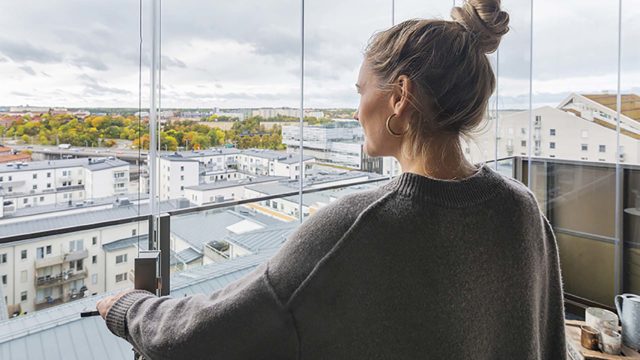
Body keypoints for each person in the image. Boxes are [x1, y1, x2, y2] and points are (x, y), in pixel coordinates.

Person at [98, 0, 566, 358]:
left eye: (362, 90)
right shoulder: (520, 207)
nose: (356, 108)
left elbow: (202, 333)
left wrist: (127, 307)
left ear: (400, 95)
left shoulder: (357, 225)